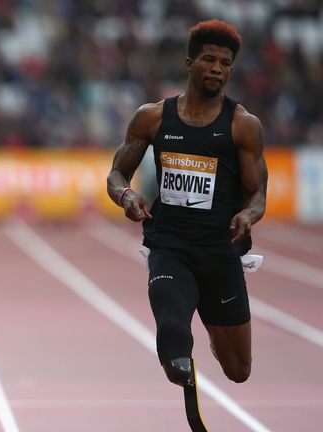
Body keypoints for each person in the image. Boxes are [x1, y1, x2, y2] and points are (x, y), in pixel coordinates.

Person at [107, 18, 267, 426]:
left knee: (239, 370)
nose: (217, 69)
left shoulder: (242, 126)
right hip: (170, 247)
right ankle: (182, 360)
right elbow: (115, 176)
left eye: (225, 63)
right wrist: (126, 196)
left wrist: (248, 214)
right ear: (190, 62)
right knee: (174, 334)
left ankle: (212, 334)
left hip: (220, 252)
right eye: (209, 60)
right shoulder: (153, 118)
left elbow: (258, 194)